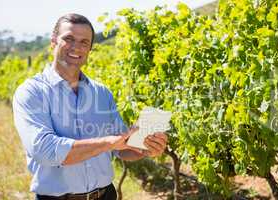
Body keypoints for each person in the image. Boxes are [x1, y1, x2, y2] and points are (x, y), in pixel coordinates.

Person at [12, 13, 168, 200]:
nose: (76, 47)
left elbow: (121, 148)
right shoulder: (32, 92)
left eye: (84, 42)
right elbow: (45, 151)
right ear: (53, 41)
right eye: (68, 39)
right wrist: (108, 142)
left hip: (105, 195)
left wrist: (144, 148)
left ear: (90, 49)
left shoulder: (102, 93)